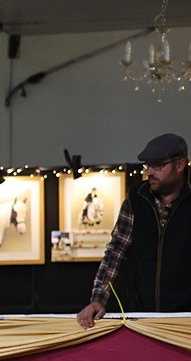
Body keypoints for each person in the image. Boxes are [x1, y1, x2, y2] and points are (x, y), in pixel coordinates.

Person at [78, 133, 191, 328]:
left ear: (180, 165)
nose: (150, 172)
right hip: (143, 316)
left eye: (157, 165)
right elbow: (116, 252)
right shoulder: (136, 199)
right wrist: (98, 298)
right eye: (148, 165)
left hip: (187, 318)